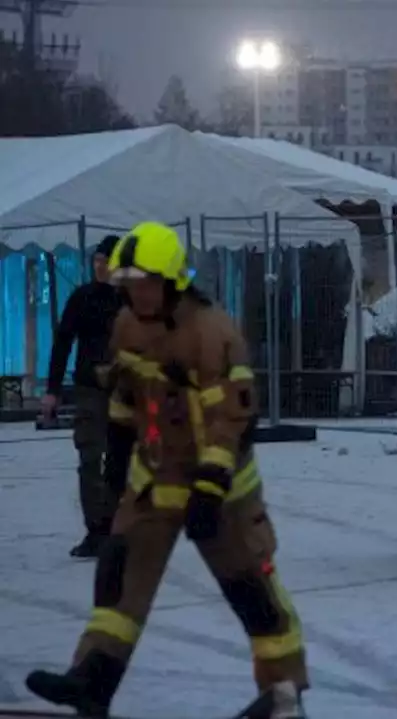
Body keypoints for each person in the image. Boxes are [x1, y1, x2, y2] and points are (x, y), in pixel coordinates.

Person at [25, 222, 309, 719]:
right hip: (155, 479)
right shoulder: (128, 325)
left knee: (253, 591)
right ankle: (93, 679)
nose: (136, 293)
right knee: (118, 579)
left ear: (172, 281)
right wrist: (116, 461)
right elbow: (125, 395)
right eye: (128, 284)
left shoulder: (212, 332)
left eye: (145, 283)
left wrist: (210, 486)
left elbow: (233, 420)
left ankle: (284, 698)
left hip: (222, 490)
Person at [44, 235, 126, 558]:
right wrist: (52, 390)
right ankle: (97, 529)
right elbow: (63, 342)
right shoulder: (83, 298)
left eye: (106, 261)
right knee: (90, 458)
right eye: (96, 261)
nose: (100, 267)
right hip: (90, 390)